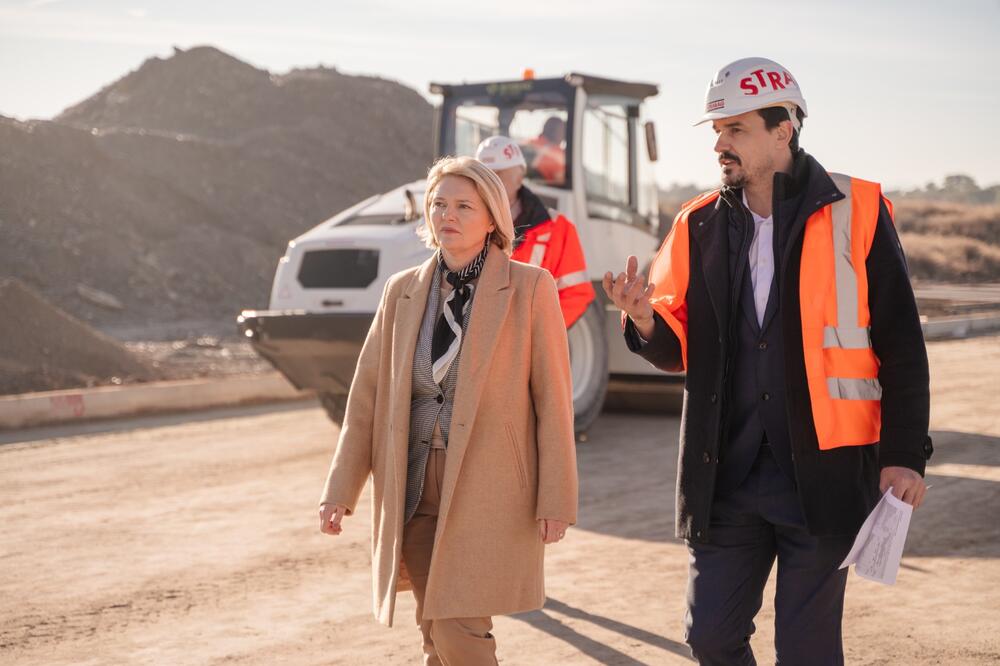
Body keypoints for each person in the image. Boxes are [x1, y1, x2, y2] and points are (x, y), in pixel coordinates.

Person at [603, 57, 932, 664]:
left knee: (807, 650)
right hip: (725, 474)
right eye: (717, 130)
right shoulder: (697, 223)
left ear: (784, 130)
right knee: (710, 637)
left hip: (823, 473)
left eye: (736, 129)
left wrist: (905, 455)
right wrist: (643, 318)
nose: (720, 144)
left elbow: (902, 344)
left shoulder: (856, 209)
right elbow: (675, 345)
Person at [318, 155, 578, 665]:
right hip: (412, 485)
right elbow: (366, 400)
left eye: (463, 206)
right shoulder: (401, 292)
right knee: (434, 631)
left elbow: (554, 401)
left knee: (459, 628)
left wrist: (557, 498)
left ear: (492, 218)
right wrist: (339, 491)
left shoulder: (530, 288)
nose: (448, 215)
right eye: (439, 204)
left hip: (490, 486)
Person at [475, 135, 595, 328]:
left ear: (520, 176)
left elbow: (576, 294)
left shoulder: (557, 228)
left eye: (498, 174)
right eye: (483, 176)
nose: (490, 183)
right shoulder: (461, 223)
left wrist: (537, 334)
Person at [527, 116, 567, 185]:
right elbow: (561, 183)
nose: (564, 135)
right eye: (563, 131)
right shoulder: (559, 155)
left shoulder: (528, 143)